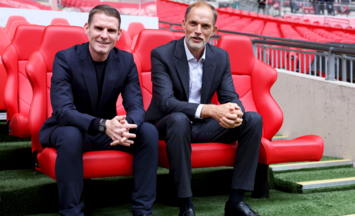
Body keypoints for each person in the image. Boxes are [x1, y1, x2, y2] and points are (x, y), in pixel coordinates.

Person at [39, 5, 158, 216]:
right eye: (99, 28)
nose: (104, 35)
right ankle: (71, 212)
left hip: (108, 131)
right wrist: (104, 125)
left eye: (111, 30)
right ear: (87, 29)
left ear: (119, 34)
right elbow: (63, 111)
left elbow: (137, 107)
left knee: (148, 131)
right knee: (71, 135)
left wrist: (125, 125)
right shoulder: (65, 58)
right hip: (70, 128)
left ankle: (143, 211)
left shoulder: (126, 61)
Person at [146, 2, 263, 216]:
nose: (198, 31)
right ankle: (186, 204)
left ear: (214, 31)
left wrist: (235, 113)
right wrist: (211, 110)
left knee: (252, 119)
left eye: (205, 26)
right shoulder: (162, 54)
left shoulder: (220, 57)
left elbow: (230, 97)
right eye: (193, 23)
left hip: (200, 126)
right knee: (179, 119)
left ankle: (236, 201)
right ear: (183, 24)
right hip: (167, 124)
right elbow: (166, 103)